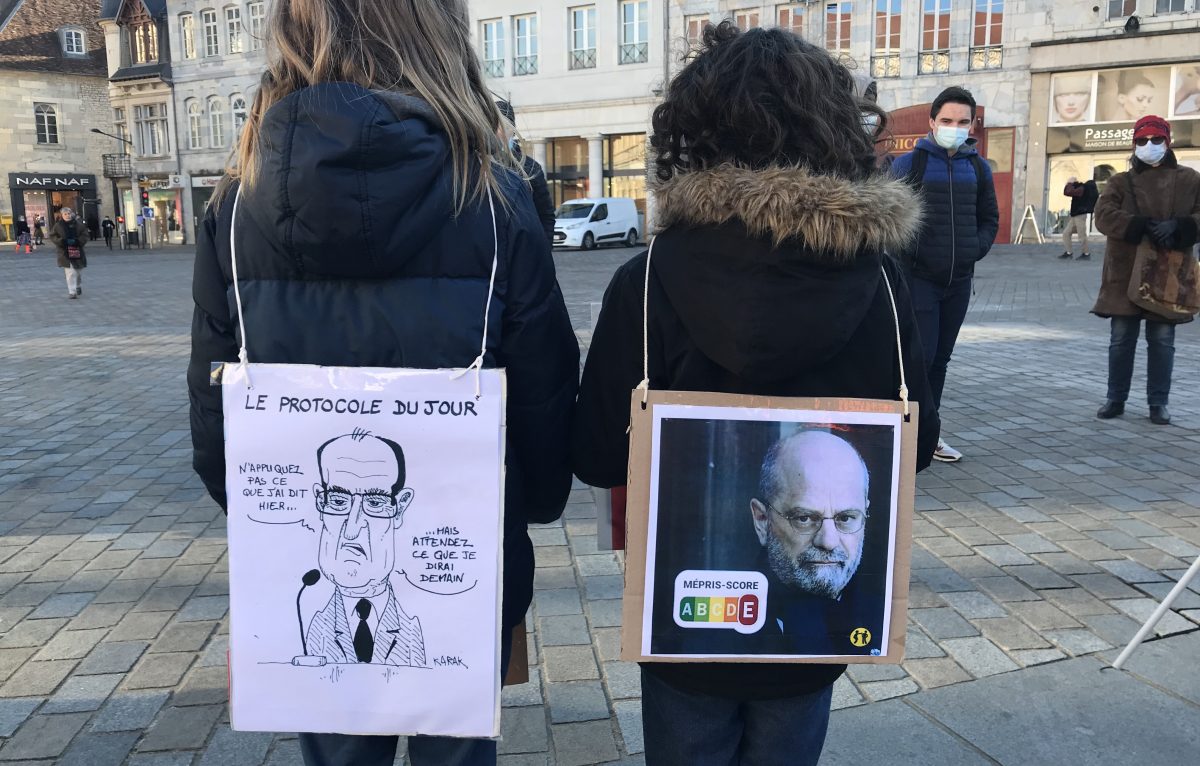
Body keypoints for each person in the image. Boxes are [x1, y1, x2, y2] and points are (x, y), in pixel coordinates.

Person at [186, 1, 579, 764]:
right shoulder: (498, 201)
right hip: (465, 566)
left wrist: (275, 518)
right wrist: (522, 511)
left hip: (314, 566)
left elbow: (217, 431)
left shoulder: (234, 208)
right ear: (441, 36)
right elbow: (543, 399)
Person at [570, 22, 938, 766]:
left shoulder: (645, 281)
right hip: (814, 635)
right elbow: (917, 449)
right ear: (837, 129)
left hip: (682, 623)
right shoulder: (885, 285)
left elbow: (597, 451)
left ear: (692, 133)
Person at [889, 86, 999, 463]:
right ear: (932, 121)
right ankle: (908, 435)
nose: (955, 127)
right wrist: (912, 259)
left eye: (963, 121)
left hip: (959, 282)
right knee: (920, 358)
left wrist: (973, 250)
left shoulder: (978, 167)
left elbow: (990, 219)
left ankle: (929, 436)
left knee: (941, 361)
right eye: (947, 120)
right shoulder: (909, 164)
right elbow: (891, 220)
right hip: (919, 281)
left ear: (972, 125)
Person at [1092, 115, 1200, 426]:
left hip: (1169, 273)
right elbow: (1103, 215)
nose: (1148, 146)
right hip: (1124, 272)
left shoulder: (1191, 179)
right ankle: (1116, 398)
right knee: (1121, 339)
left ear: (1168, 142)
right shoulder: (1120, 181)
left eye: (1155, 140)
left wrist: (1180, 227)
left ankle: (1158, 403)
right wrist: (1141, 226)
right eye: (1141, 141)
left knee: (1163, 339)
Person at [749, 431, 881, 656]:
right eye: (804, 518)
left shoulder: (881, 615)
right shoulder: (716, 627)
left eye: (846, 518)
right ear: (762, 520)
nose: (828, 542)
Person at [304, 433, 425, 667]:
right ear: (320, 501)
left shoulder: (419, 625)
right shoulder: (313, 626)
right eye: (339, 501)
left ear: (399, 507)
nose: (352, 528)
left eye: (375, 503)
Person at [496, 100, 555, 244]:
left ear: (513, 130)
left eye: (503, 127)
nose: (498, 132)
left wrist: (543, 253)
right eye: (495, 126)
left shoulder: (530, 168)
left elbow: (545, 216)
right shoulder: (479, 164)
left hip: (522, 248)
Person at [48, 207, 87, 299]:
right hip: (65, 251)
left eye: (69, 213)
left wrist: (78, 241)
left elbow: (85, 235)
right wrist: (61, 241)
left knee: (78, 272)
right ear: (62, 215)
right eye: (65, 214)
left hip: (77, 250)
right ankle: (72, 292)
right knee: (70, 272)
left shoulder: (78, 225)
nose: (67, 215)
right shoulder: (58, 226)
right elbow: (53, 236)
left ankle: (78, 285)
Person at [1060, 175, 1099, 260]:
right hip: (1075, 215)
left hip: (1080, 215)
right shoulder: (1080, 188)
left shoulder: (1081, 188)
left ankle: (1086, 253)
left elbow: (1068, 192)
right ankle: (1069, 252)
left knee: (1081, 235)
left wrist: (1069, 183)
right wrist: (1070, 183)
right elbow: (1067, 192)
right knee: (1066, 233)